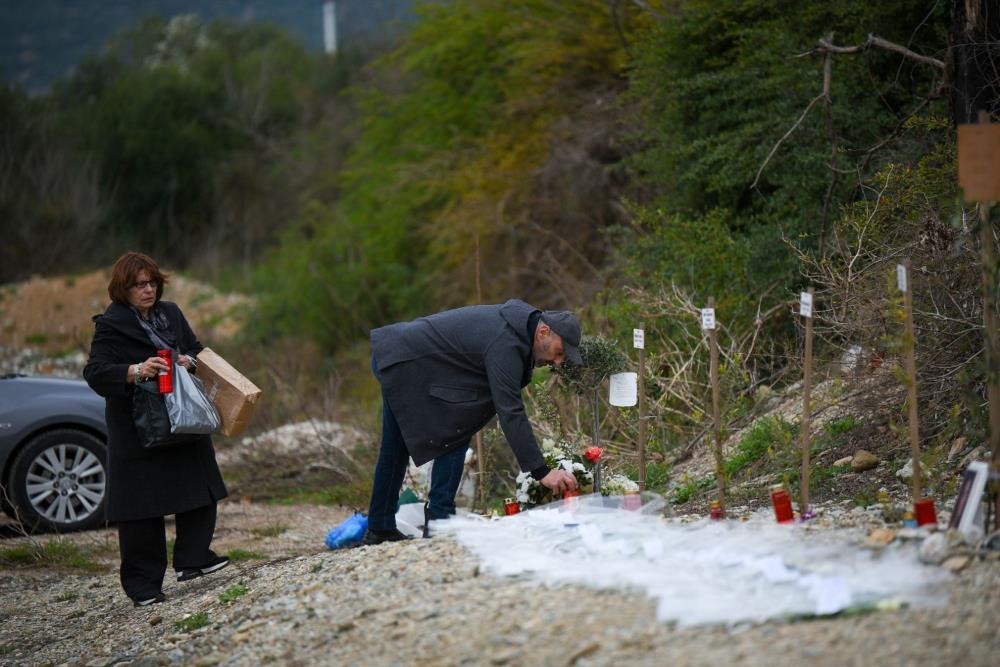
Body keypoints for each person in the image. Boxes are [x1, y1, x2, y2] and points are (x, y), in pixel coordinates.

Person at [364, 299, 583, 544]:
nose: (558, 362)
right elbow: (510, 410)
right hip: (403, 362)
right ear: (544, 332)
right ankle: (437, 525)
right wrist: (541, 471)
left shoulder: (518, 329)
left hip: (401, 356)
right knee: (450, 433)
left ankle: (386, 527)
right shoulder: (506, 342)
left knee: (427, 437)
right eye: (559, 352)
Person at [84, 252, 229, 607]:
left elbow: (195, 350)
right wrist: (136, 370)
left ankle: (193, 558)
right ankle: (144, 585)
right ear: (124, 289)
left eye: (152, 283)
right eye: (139, 284)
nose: (148, 290)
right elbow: (96, 372)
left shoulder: (171, 314)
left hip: (182, 414)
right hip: (136, 424)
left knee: (200, 480)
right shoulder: (111, 324)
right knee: (140, 506)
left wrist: (187, 361)